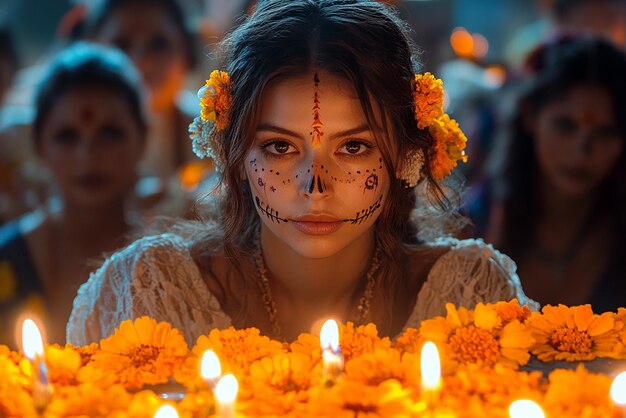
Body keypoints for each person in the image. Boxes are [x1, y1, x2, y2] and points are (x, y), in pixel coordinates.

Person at [67, 0, 538, 346]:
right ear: (235, 156)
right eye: (279, 147)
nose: (315, 186)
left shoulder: (474, 296)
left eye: (353, 147)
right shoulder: (146, 295)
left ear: (404, 154)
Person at [0, 42, 146, 345]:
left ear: (142, 139)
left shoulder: (172, 261)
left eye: (109, 133)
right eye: (67, 136)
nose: (87, 155)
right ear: (39, 145)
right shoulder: (6, 258)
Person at [469, 36, 626, 310]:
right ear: (530, 116)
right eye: (565, 126)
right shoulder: (472, 227)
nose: (582, 151)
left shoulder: (618, 236)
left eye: (605, 132)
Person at [83, 0, 201, 181]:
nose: (142, 62)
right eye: (121, 45)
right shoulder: (59, 128)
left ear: (187, 51)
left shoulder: (212, 134)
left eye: (158, 44)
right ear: (92, 49)